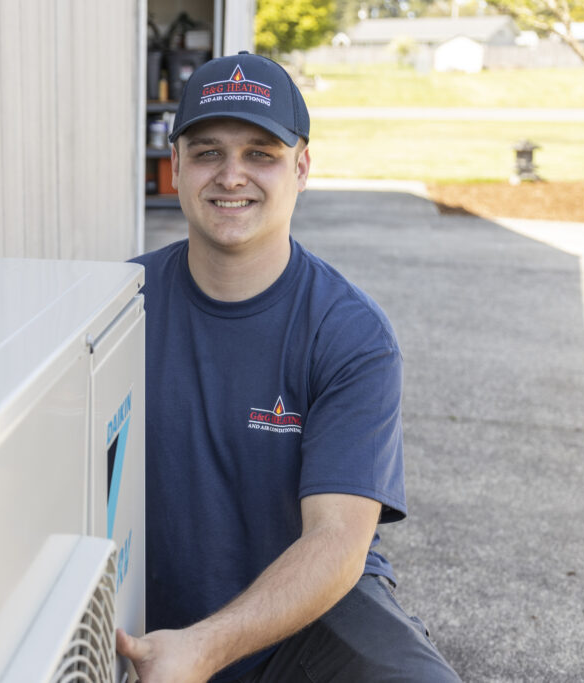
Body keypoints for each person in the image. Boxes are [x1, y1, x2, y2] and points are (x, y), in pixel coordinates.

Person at [116, 52, 460, 682]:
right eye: (208, 152)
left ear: (301, 167)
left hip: (307, 616)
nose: (231, 175)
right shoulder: (116, 308)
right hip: (148, 613)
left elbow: (336, 543)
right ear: (177, 167)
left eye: (261, 154)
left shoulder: (350, 334)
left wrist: (206, 647)